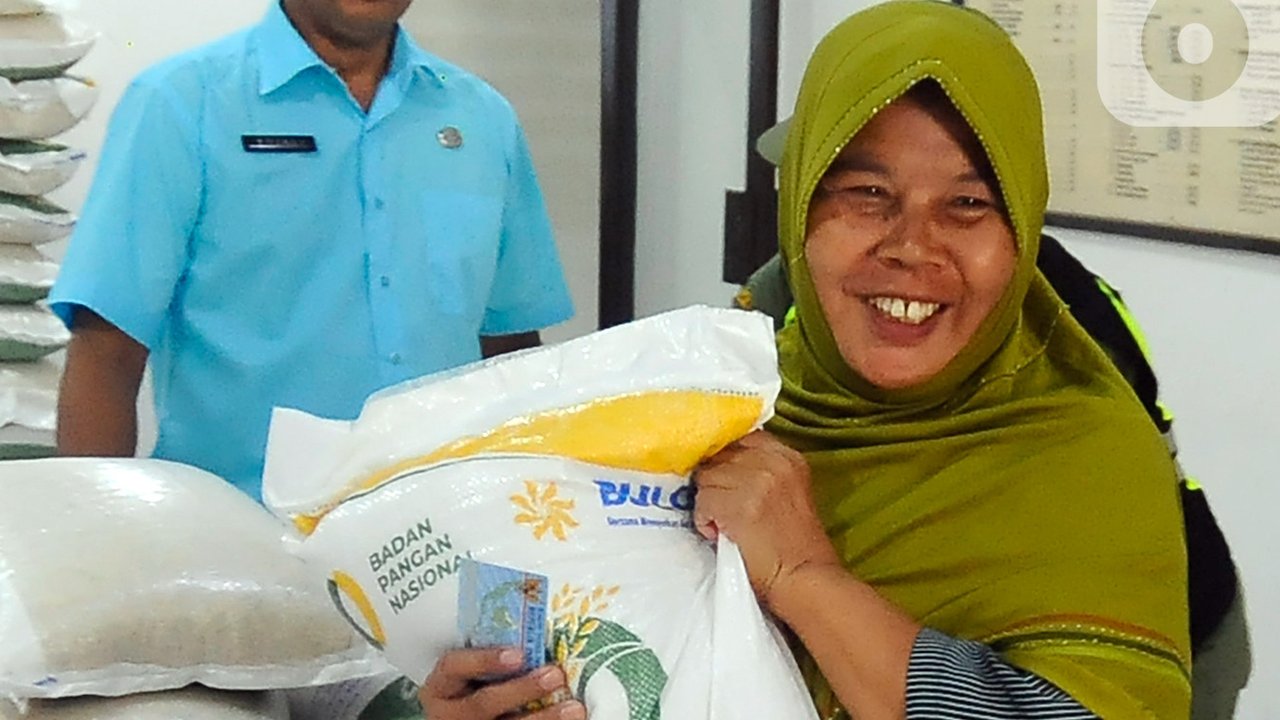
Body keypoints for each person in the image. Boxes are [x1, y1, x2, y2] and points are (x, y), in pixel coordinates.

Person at [418, 2, 1190, 719]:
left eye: (968, 204)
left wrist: (805, 580)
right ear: (797, 216)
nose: (911, 246)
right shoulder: (707, 409)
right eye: (866, 192)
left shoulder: (1088, 460)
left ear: (1021, 230)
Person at [48, 0, 574, 500]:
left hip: (439, 541)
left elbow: (511, 352)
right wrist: (103, 550)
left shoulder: (481, 119)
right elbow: (107, 353)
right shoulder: (184, 103)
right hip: (243, 543)